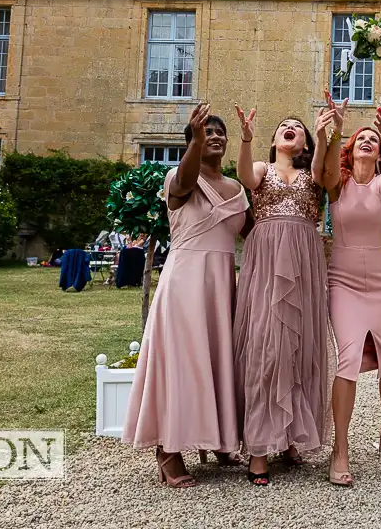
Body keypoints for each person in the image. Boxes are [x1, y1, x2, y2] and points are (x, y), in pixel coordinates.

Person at [122, 103, 250, 487]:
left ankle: (222, 438)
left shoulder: (238, 189)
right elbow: (185, 181)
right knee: (182, 363)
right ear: (192, 140)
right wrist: (193, 144)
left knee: (219, 360)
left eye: (218, 132)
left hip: (222, 283)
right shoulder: (178, 177)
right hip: (185, 282)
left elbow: (259, 234)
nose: (214, 136)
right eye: (204, 132)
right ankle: (169, 451)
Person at [233, 109, 329, 486]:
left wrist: (322, 137)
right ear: (274, 141)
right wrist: (244, 137)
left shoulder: (312, 174)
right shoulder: (261, 167)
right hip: (268, 257)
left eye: (297, 128)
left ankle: (292, 434)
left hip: (304, 257)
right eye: (282, 127)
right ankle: (258, 448)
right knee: (264, 345)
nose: (290, 129)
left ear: (303, 143)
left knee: (299, 345)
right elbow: (243, 177)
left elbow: (323, 173)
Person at [318, 97, 381, 487]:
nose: (367, 140)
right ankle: (341, 447)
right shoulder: (339, 185)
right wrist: (337, 128)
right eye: (362, 137)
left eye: (373, 139)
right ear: (351, 150)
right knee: (348, 357)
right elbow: (327, 167)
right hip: (345, 282)